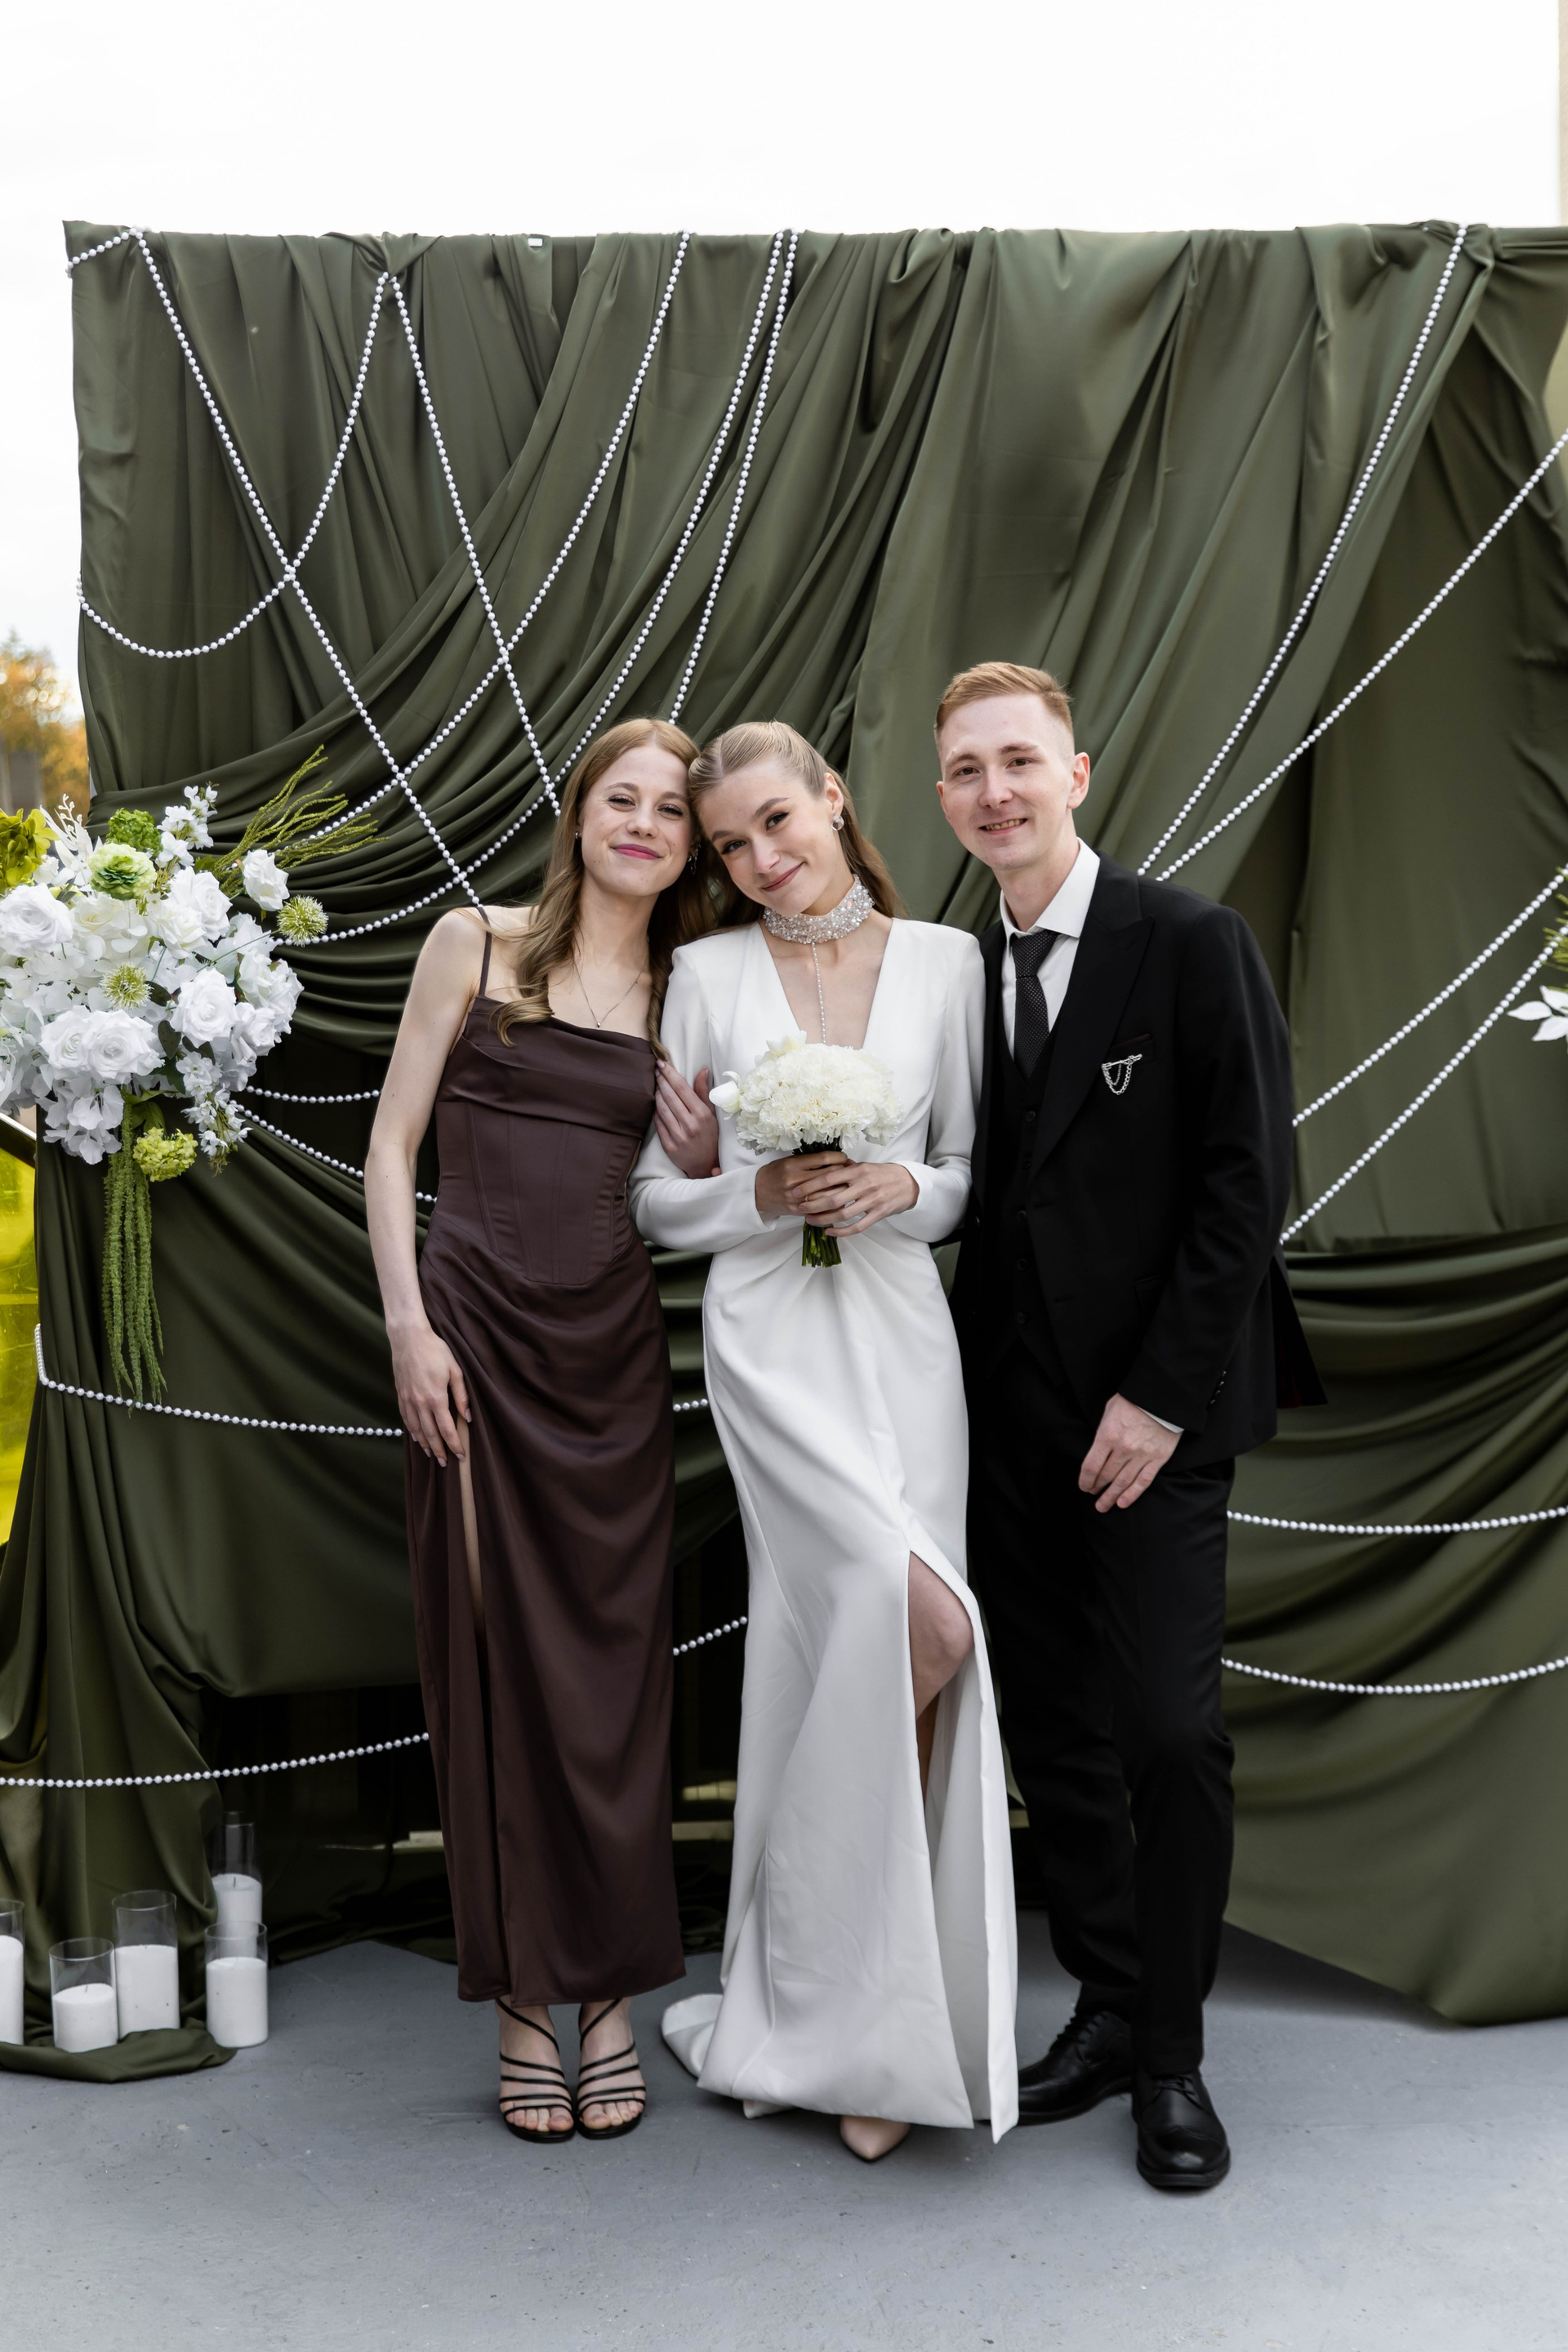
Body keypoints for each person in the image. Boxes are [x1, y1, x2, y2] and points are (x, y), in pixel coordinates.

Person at [933, 661, 1323, 2192]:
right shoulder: (957, 974)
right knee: (1057, 1732)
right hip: (1004, 1420)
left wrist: (1158, 1399)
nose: (995, 793)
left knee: (1168, 1727)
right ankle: (1106, 2005)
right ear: (945, 800)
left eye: (1019, 761)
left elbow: (1247, 1185)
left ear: (1076, 774)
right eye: (967, 772)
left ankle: (1173, 2057)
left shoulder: (1189, 941)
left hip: (1154, 1417)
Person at [632, 721, 1018, 2164]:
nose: (759, 859)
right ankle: (825, 1993)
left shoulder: (949, 965)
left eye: (776, 823)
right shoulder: (706, 976)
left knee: (890, 1644)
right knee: (916, 1625)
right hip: (772, 1346)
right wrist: (762, 1195)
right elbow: (652, 1200)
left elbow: (970, 1173)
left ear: (833, 800)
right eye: (730, 844)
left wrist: (899, 1188)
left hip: (906, 1338)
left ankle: (863, 2016)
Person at [364, 717, 719, 2145]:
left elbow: (688, 1192)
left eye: (671, 811)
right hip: (469, 1341)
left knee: (616, 1682)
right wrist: (408, 1329)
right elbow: (392, 1146)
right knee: (490, 1669)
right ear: (579, 813)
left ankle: (613, 1999)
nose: (644, 824)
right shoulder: (477, 942)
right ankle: (522, 2002)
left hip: (610, 1359)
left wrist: (706, 1155)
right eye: (621, 799)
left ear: (691, 846)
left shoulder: (696, 987)